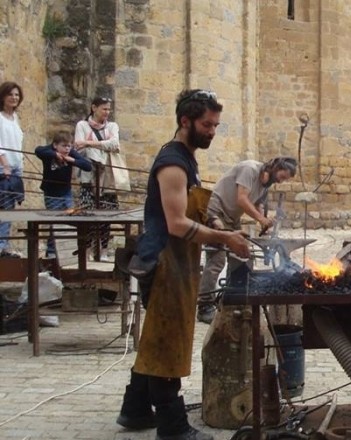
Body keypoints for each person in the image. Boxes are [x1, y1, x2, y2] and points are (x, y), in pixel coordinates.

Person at [116, 89, 250, 440]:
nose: (212, 131)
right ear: (185, 121)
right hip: (163, 261)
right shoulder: (173, 163)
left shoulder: (188, 158)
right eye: (207, 125)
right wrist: (226, 240)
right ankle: (173, 429)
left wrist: (222, 226)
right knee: (167, 342)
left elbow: (193, 208)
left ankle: (135, 410)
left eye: (216, 125)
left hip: (177, 260)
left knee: (155, 337)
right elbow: (176, 224)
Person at [197, 156, 297, 324]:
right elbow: (242, 199)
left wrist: (266, 221)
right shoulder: (249, 169)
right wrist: (260, 218)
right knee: (217, 259)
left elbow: (257, 204)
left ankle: (231, 297)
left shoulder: (266, 184)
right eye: (282, 177)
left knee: (243, 254)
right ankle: (204, 306)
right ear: (276, 168)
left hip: (232, 218)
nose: (281, 181)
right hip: (216, 211)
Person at [75, 96, 131, 259]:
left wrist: (89, 143)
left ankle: (104, 249)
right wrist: (97, 146)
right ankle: (87, 250)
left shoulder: (112, 126)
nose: (107, 112)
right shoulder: (82, 125)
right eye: (104, 108)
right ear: (94, 108)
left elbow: (114, 144)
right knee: (87, 214)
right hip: (89, 177)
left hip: (107, 178)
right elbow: (78, 146)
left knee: (107, 215)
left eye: (108, 109)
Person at [34, 132, 93, 258]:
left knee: (69, 219)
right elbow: (38, 150)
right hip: (51, 192)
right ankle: (51, 251)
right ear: (55, 145)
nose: (67, 148)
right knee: (54, 221)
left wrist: (72, 160)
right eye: (64, 146)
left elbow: (88, 166)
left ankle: (67, 251)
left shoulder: (71, 154)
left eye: (69, 146)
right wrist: (55, 154)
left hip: (66, 192)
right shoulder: (49, 152)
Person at [0, 81, 25, 257]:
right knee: (3, 209)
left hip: (15, 168)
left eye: (17, 95)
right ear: (3, 96)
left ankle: (4, 245)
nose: (14, 98)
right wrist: (5, 164)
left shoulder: (15, 118)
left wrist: (19, 166)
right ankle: (1, 245)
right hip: (3, 169)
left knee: (9, 209)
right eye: (11, 94)